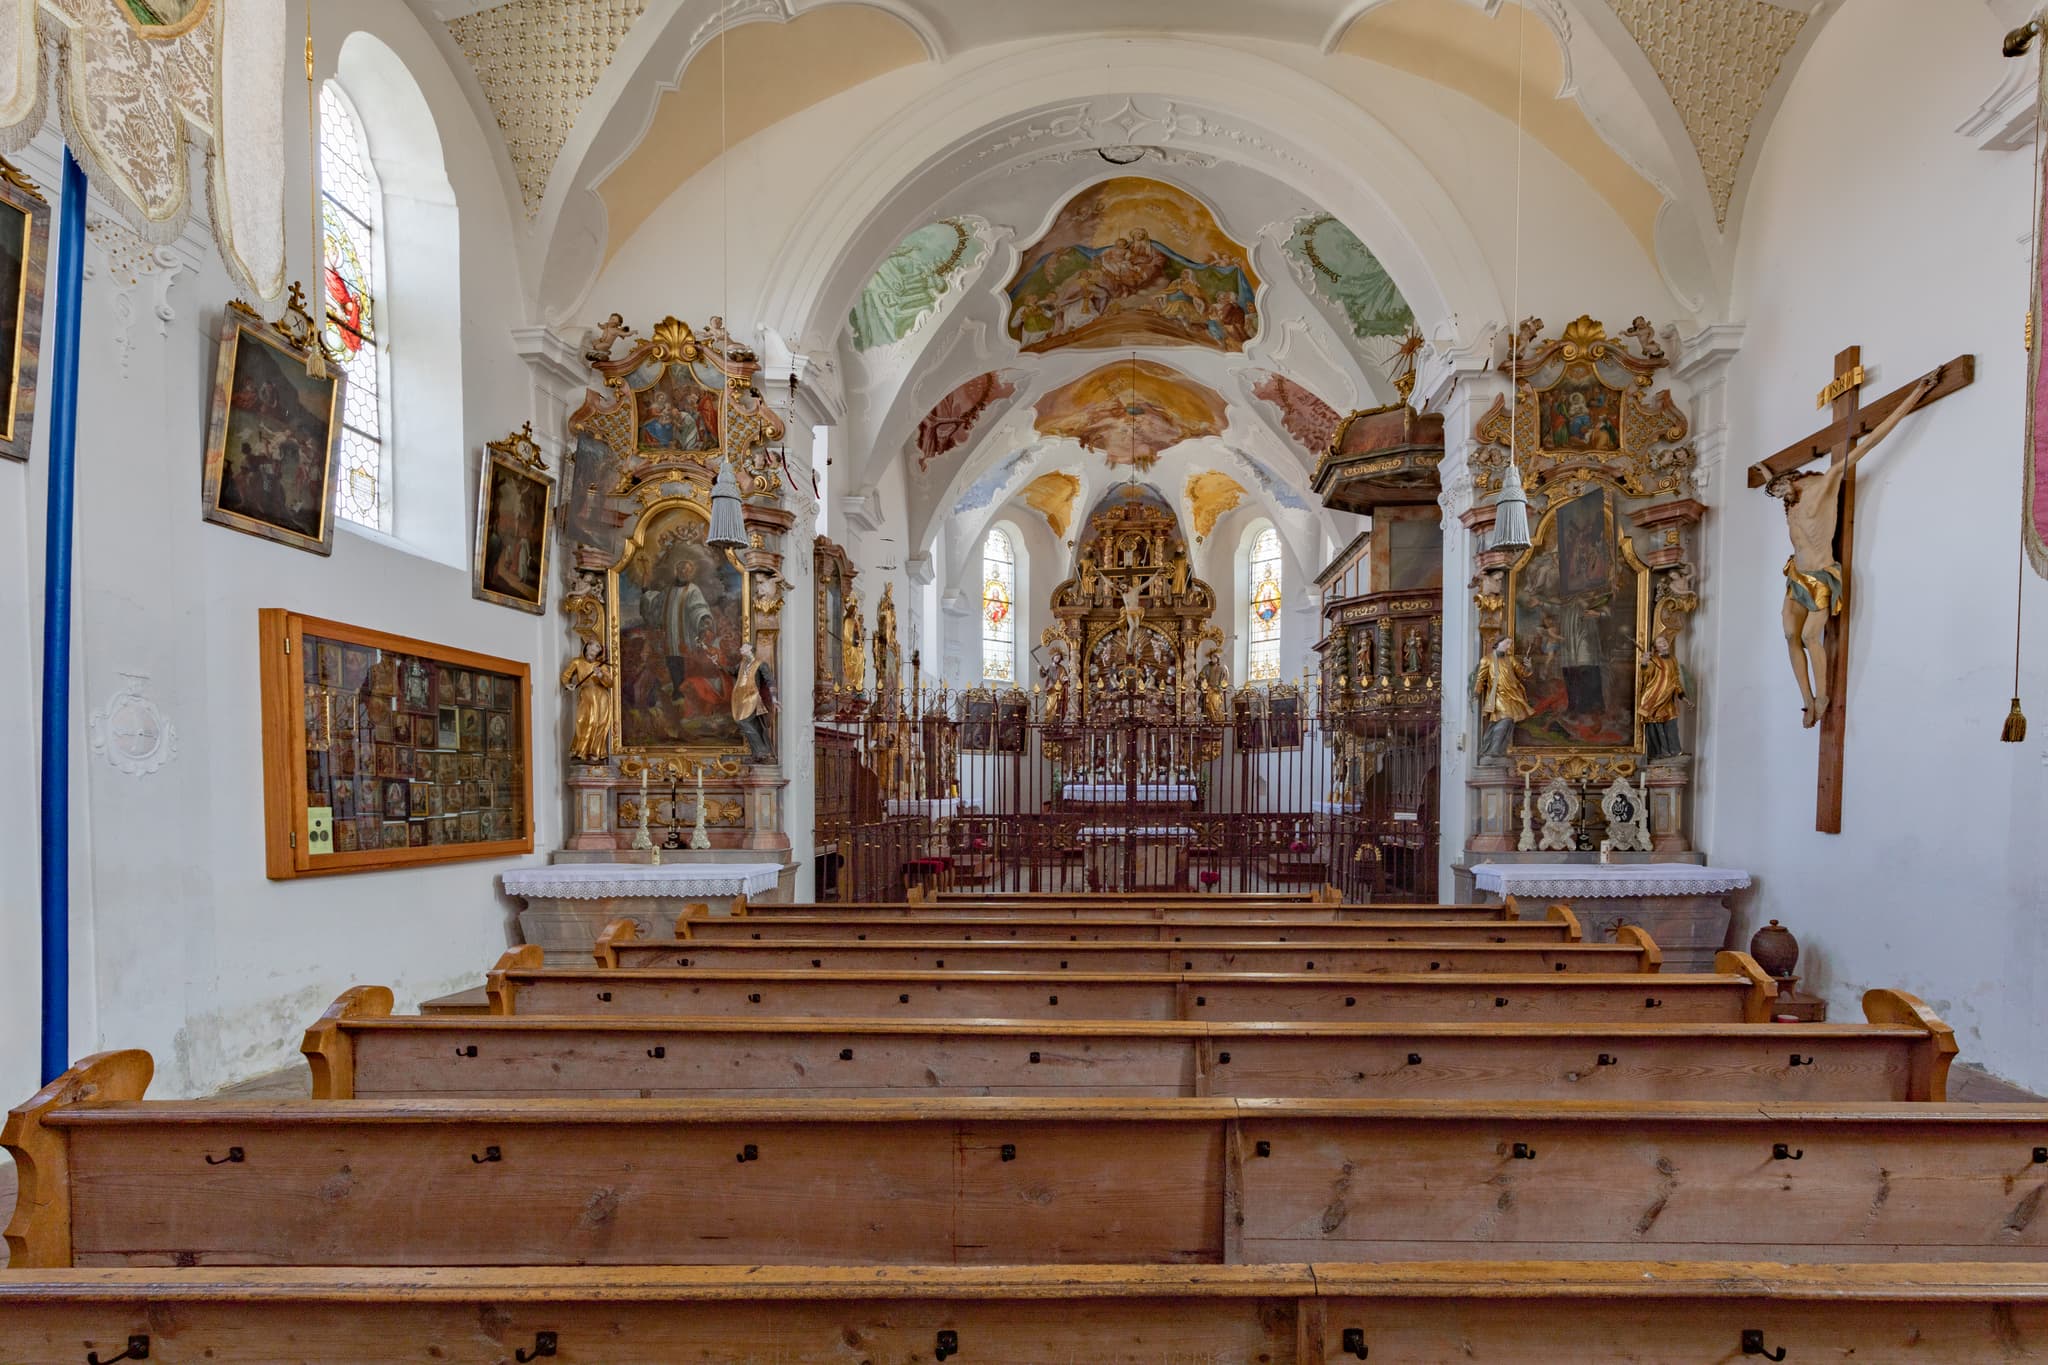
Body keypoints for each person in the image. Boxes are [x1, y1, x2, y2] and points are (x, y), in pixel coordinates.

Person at [1768, 372, 1935, 728]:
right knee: (1788, 634)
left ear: (1791, 480)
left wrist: (1914, 395)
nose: (1779, 493)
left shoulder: (1823, 486)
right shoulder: (1790, 504)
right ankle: (1806, 701)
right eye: (1776, 490)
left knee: (1812, 636)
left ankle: (1823, 695)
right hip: (1796, 575)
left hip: (1821, 576)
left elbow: (1870, 442)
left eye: (1779, 487)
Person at [1472, 636, 1533, 759]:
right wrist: (1475, 693)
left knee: (1508, 721)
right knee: (1505, 719)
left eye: (1510, 644)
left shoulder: (1510, 659)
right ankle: (1493, 749)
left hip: (1512, 695)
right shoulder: (1487, 660)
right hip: (1498, 695)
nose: (1509, 646)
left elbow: (1523, 673)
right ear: (1498, 643)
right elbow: (1480, 679)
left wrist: (1529, 666)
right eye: (1507, 643)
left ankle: (1496, 749)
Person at [1638, 633, 1688, 761]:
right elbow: (1646, 673)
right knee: (1655, 726)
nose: (1663, 642)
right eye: (1660, 642)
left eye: (1664, 640)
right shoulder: (1653, 660)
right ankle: (1659, 753)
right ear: (1655, 647)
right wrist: (1644, 662)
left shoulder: (1673, 659)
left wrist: (1682, 696)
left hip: (1668, 698)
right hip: (1653, 698)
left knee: (1671, 723)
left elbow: (1675, 679)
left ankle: (1675, 751)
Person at [731, 642, 776, 761]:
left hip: (752, 697)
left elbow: (770, 681)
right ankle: (759, 753)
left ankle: (762, 751)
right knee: (754, 724)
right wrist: (717, 663)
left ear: (750, 649)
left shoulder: (761, 664)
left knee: (743, 721)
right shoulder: (741, 664)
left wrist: (774, 698)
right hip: (740, 698)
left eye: (743, 647)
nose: (741, 648)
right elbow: (731, 672)